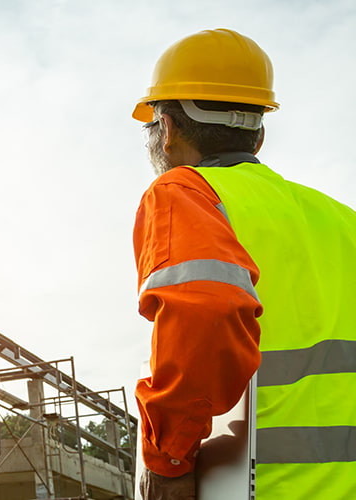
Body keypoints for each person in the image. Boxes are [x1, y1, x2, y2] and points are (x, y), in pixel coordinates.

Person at [132, 29, 356, 499]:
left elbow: (204, 312)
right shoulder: (342, 219)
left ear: (167, 131)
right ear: (258, 134)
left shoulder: (185, 193)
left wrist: (169, 459)